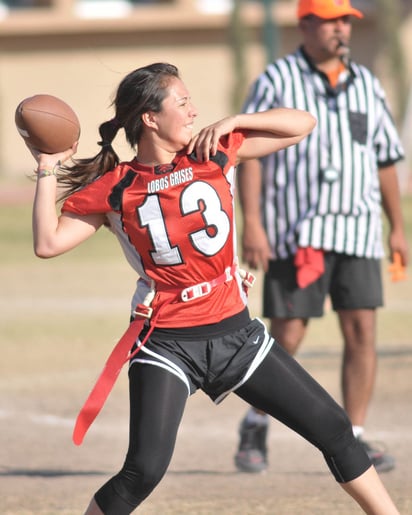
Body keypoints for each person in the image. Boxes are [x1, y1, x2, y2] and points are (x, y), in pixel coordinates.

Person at [28, 62, 400, 515]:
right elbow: (48, 243)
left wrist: (236, 121)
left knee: (335, 428)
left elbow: (303, 124)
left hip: (235, 334)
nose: (193, 110)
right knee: (142, 471)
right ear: (150, 117)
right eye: (181, 102)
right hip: (167, 342)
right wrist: (47, 168)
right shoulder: (117, 187)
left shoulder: (213, 151)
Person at [234, 0, 409, 475]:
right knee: (287, 334)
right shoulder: (276, 81)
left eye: (345, 21)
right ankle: (255, 422)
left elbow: (386, 159)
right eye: (331, 21)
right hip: (297, 232)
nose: (341, 30)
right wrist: (253, 222)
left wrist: (397, 227)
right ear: (306, 23)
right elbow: (248, 153)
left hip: (357, 230)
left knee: (362, 333)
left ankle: (353, 436)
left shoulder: (368, 84)